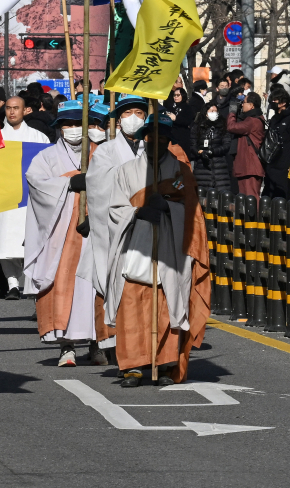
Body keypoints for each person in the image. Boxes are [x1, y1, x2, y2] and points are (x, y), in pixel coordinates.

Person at [102, 113, 210, 387]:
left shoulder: (181, 172)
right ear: (143, 138)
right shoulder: (125, 171)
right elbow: (114, 210)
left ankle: (164, 364)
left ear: (169, 140)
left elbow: (193, 213)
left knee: (167, 303)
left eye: (163, 137)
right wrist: (138, 212)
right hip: (135, 248)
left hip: (171, 249)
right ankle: (133, 366)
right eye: (152, 136)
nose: (156, 142)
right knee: (132, 304)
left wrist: (169, 208)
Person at [24, 100, 109, 367]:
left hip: (96, 230)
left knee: (98, 287)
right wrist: (69, 183)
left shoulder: (103, 154)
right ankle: (66, 345)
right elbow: (37, 185)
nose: (73, 129)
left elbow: (116, 185)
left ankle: (98, 344)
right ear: (59, 128)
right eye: (67, 125)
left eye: (77, 124)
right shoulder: (47, 158)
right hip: (61, 233)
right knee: (64, 285)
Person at [79, 94, 151, 358]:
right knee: (108, 279)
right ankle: (104, 341)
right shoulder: (107, 151)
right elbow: (99, 187)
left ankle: (138, 341)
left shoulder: (151, 149)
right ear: (119, 120)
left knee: (140, 283)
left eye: (139, 113)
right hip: (114, 225)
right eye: (127, 113)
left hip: (144, 224)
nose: (134, 118)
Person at [0, 96, 52, 300]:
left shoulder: (38, 137)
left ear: (25, 110)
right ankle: (12, 284)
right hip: (5, 196)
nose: (12, 112)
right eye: (8, 108)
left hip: (31, 197)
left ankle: (31, 283)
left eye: (16, 108)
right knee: (6, 241)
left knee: (31, 239)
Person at [262, 87, 290, 198]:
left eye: (275, 100)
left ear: (283, 103)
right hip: (272, 161)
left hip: (284, 163)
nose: (272, 103)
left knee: (282, 194)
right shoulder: (275, 118)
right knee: (268, 194)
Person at [226, 92, 265, 199]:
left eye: (244, 102)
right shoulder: (252, 119)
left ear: (252, 105)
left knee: (251, 199)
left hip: (250, 167)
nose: (242, 104)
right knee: (245, 201)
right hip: (246, 167)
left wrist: (232, 112)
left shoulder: (252, 121)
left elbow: (231, 127)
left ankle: (255, 216)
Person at [190, 102, 233, 192]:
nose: (214, 113)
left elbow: (226, 145)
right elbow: (193, 145)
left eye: (216, 111)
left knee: (222, 197)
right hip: (202, 168)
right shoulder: (197, 127)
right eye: (211, 111)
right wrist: (200, 152)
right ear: (206, 112)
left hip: (220, 168)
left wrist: (213, 151)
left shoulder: (222, 127)